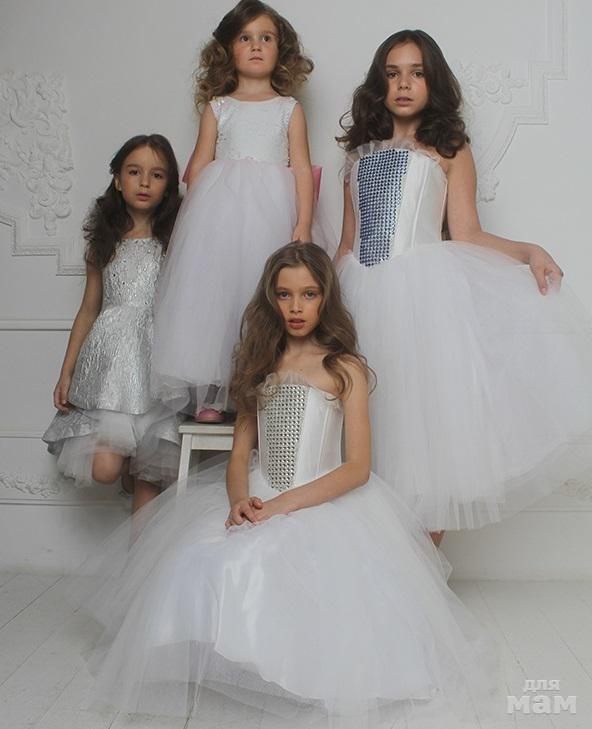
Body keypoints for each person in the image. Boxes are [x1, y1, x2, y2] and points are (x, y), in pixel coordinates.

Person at [74, 243, 500, 728]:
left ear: (325, 298)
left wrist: (281, 507)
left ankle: (305, 669)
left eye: (308, 294)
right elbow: (240, 454)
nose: (296, 307)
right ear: (271, 299)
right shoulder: (259, 363)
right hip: (258, 492)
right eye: (284, 294)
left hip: (321, 497)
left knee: (315, 575)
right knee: (206, 559)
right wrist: (239, 501)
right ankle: (245, 661)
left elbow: (357, 468)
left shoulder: (345, 368)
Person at [336, 30, 592, 545]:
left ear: (433, 82)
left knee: (426, 433)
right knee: (369, 422)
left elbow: (468, 232)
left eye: (416, 73)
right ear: (378, 84)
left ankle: (426, 570)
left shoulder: (449, 150)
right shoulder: (358, 156)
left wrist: (527, 251)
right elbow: (346, 244)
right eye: (392, 74)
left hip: (421, 298)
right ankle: (374, 562)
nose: (403, 84)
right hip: (359, 296)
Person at [152, 0, 332, 423]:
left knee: (265, 296)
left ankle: (264, 387)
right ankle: (214, 393)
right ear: (228, 50)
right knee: (216, 299)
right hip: (220, 218)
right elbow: (199, 166)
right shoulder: (219, 107)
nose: (255, 46)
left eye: (266, 38)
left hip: (272, 215)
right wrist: (195, 223)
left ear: (280, 50)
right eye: (245, 38)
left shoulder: (289, 109)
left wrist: (303, 222)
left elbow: (301, 168)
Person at [43, 134, 182, 512]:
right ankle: (128, 472)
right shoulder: (104, 240)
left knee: (152, 473)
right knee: (106, 468)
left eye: (157, 175)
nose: (144, 182)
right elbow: (89, 308)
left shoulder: (175, 240)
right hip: (109, 367)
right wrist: (67, 370)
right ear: (118, 180)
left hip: (156, 360)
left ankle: (142, 547)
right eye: (134, 172)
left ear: (168, 185)